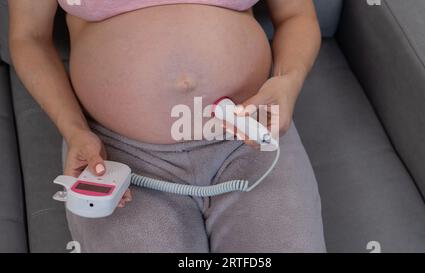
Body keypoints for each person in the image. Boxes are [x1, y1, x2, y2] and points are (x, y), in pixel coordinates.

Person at [9, 0, 325, 252]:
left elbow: (296, 15)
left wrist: (288, 81)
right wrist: (74, 130)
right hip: (118, 157)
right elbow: (29, 37)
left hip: (250, 140)